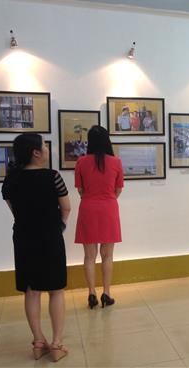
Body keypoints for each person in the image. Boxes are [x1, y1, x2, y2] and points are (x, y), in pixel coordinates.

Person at [1, 134, 71, 362]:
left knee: (31, 290)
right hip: (50, 237)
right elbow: (66, 208)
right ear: (36, 153)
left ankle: (38, 341)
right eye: (45, 146)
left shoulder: (11, 180)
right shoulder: (52, 177)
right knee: (56, 289)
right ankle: (57, 344)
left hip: (23, 238)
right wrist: (59, 226)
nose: (48, 150)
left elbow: (15, 210)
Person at [74, 126, 124, 309]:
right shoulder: (116, 162)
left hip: (88, 208)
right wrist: (107, 198)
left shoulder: (81, 162)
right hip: (109, 208)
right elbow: (118, 189)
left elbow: (80, 190)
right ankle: (106, 293)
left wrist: (90, 198)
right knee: (107, 255)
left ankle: (91, 294)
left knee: (89, 256)